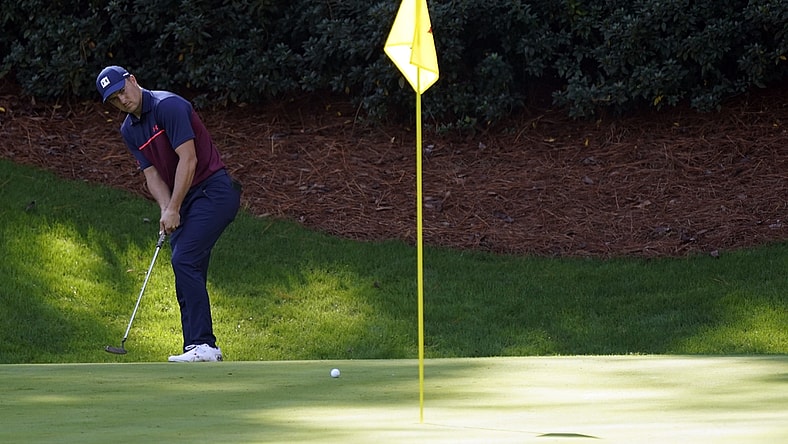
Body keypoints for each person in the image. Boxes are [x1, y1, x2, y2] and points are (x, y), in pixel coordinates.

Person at [96, 65, 240, 362]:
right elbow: (151, 175)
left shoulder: (168, 106)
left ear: (133, 80)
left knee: (184, 258)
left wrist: (174, 207)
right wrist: (165, 208)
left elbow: (188, 160)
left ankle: (204, 344)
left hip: (212, 191)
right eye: (114, 99)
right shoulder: (129, 130)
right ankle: (197, 347)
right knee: (187, 266)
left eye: (123, 91)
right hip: (186, 199)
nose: (122, 100)